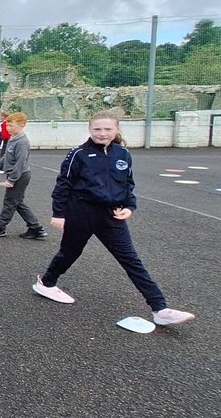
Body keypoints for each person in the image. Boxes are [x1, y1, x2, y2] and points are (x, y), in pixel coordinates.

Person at [34, 109, 196, 327]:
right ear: (89, 129)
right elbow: (63, 184)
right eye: (97, 129)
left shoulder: (123, 154)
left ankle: (159, 308)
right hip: (81, 213)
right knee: (69, 253)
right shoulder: (78, 154)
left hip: (111, 216)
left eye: (107, 129)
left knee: (131, 259)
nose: (102, 133)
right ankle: (46, 283)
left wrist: (129, 206)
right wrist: (59, 214)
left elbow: (128, 184)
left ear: (117, 129)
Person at [0, 112, 47, 239]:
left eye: (11, 125)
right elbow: (7, 155)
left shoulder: (22, 142)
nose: (8, 128)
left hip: (20, 176)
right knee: (18, 202)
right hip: (16, 175)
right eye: (7, 125)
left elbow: (20, 163)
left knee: (10, 202)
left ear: (22, 125)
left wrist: (12, 179)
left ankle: (0, 227)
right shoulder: (13, 138)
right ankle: (36, 228)